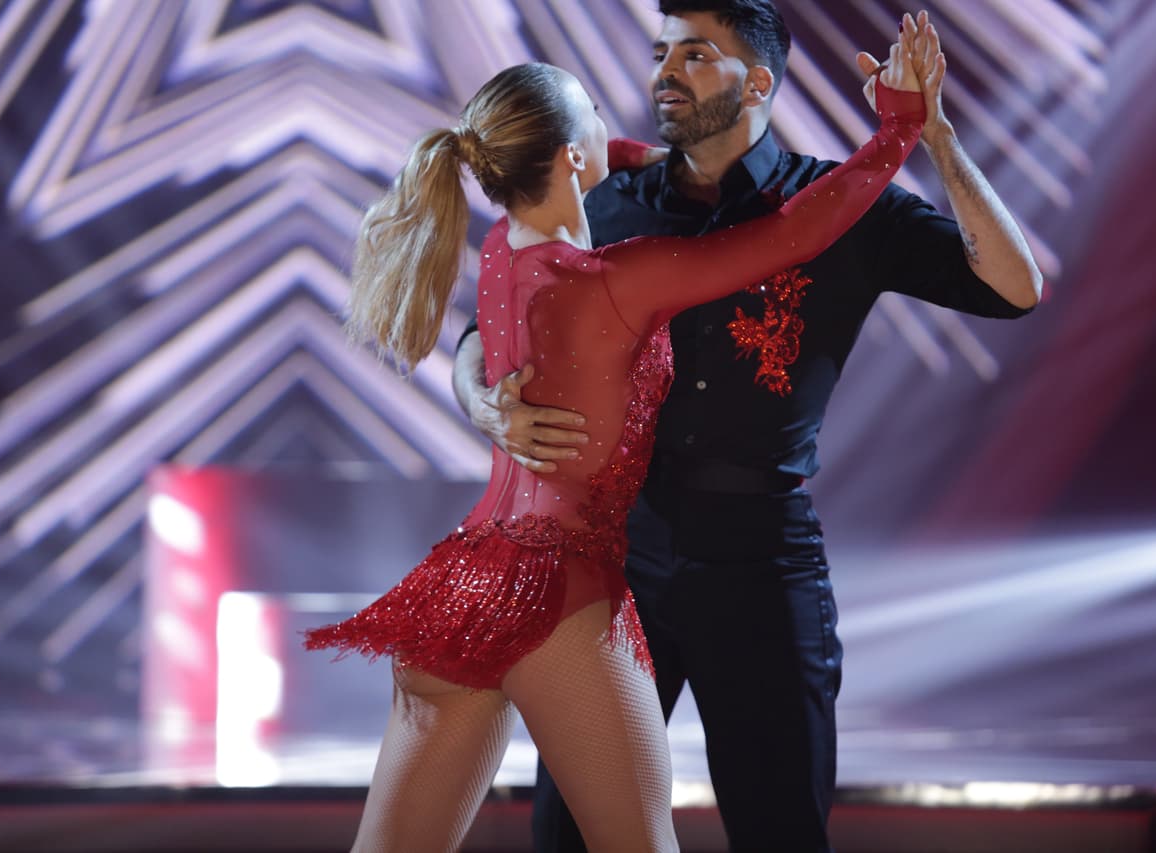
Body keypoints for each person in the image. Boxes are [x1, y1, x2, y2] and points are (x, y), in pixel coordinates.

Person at [307, 35, 927, 853]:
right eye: (593, 113)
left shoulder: (500, 252)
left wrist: (654, 144)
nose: (616, 123)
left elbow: (609, 156)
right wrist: (900, 129)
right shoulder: (619, 277)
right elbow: (790, 236)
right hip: (557, 602)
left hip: (465, 583)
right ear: (568, 155)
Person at [452, 5, 1043, 853]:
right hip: (615, 559)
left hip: (763, 559)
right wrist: (479, 398)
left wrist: (937, 136)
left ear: (758, 82)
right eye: (661, 53)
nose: (666, 71)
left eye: (696, 54)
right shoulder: (610, 200)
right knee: (572, 832)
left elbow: (1014, 288)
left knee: (781, 829)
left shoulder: (840, 205)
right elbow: (492, 322)